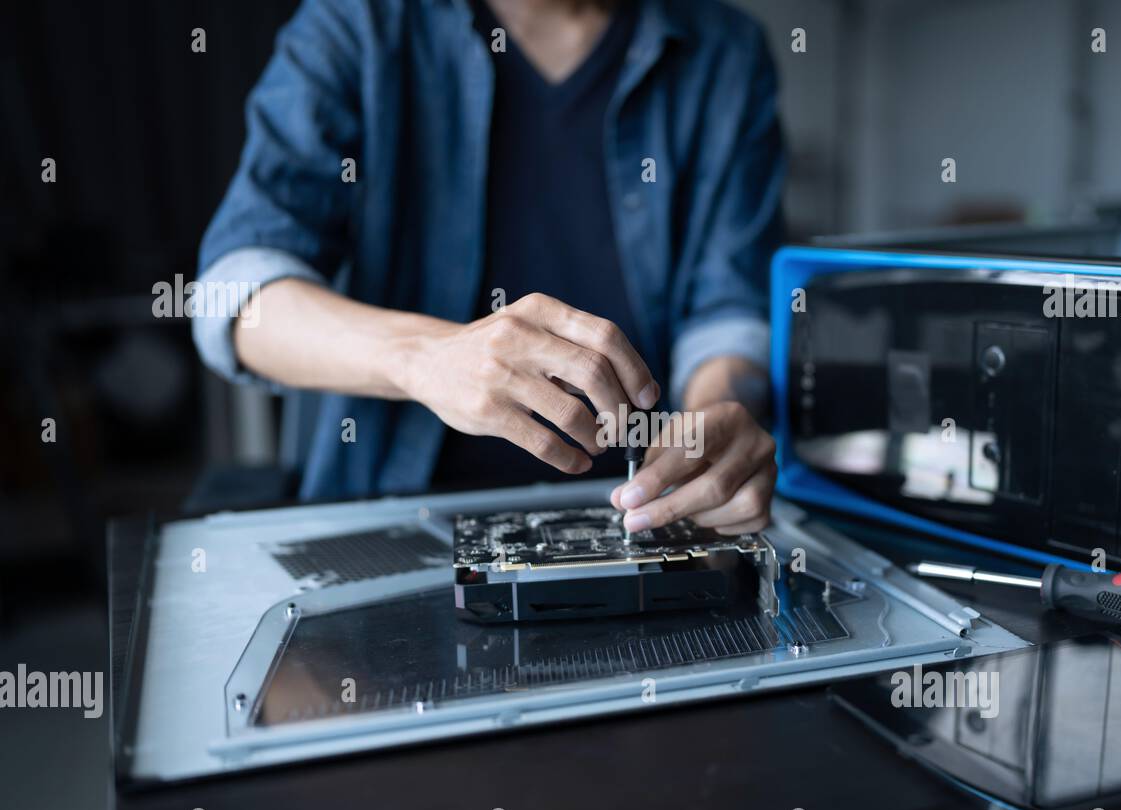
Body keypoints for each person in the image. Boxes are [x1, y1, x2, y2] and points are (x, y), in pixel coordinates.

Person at [192, 0, 784, 534]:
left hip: (644, 525)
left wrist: (712, 422)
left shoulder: (725, 51)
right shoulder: (359, 24)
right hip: (393, 524)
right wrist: (425, 356)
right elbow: (234, 296)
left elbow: (728, 306)